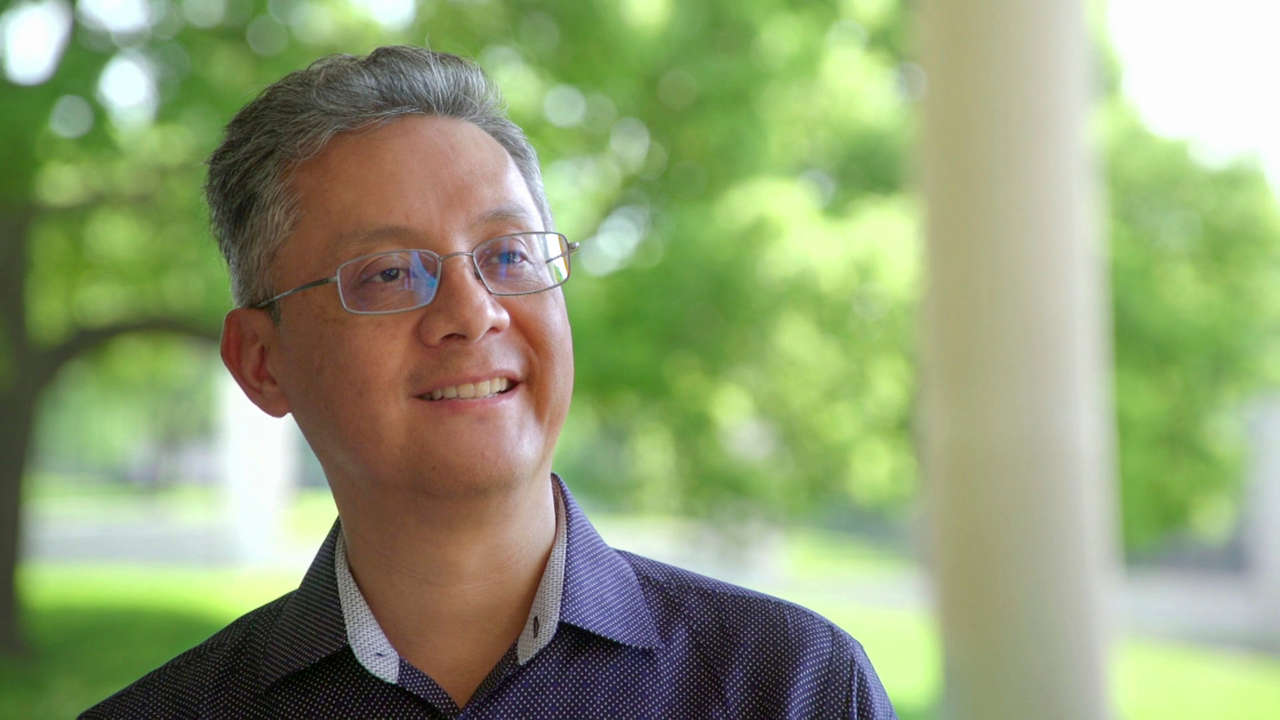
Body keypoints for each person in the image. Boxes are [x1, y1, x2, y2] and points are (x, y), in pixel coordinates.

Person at [82, 46, 895, 719]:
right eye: (389, 272)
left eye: (508, 255)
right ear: (262, 362)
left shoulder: (795, 688)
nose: (473, 314)